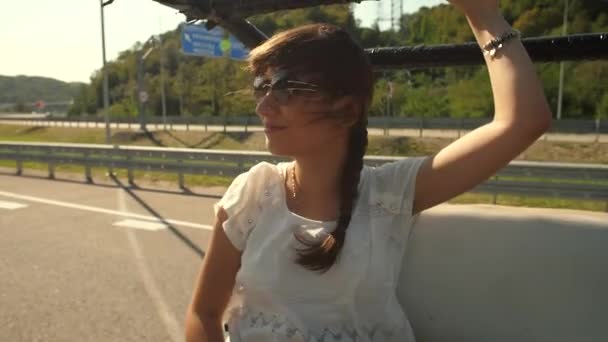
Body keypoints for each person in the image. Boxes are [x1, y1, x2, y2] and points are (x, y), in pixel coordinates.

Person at [185, 0, 552, 340]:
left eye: (286, 88)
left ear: (346, 111)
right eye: (261, 87)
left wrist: (483, 15)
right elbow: (204, 313)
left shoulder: (389, 194)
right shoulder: (252, 193)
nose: (264, 106)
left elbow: (522, 122)